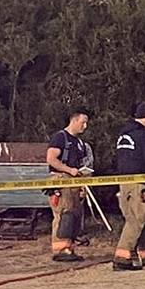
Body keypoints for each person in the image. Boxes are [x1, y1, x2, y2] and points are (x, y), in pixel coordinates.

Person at [113, 101, 145, 271]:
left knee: (138, 218)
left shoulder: (124, 135)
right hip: (140, 183)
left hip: (124, 182)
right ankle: (122, 256)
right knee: (139, 218)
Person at [46, 106, 93, 262]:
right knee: (64, 214)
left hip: (74, 182)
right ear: (74, 120)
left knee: (73, 215)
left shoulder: (79, 143)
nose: (85, 126)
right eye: (83, 122)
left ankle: (69, 248)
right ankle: (60, 250)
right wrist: (68, 170)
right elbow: (51, 159)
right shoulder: (60, 138)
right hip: (61, 179)